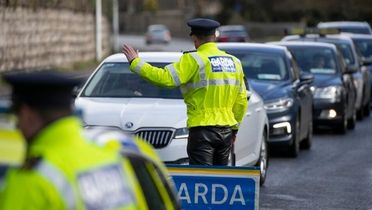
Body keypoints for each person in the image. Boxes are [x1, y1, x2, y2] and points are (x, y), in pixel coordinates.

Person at [0, 70, 147, 210]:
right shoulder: (111, 159)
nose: (17, 125)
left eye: (16, 116)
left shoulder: (32, 178)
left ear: (27, 115)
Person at [122, 18, 248, 166]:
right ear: (215, 36)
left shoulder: (193, 59)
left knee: (201, 180)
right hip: (226, 132)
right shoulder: (234, 62)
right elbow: (241, 100)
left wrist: (136, 62)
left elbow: (165, 78)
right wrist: (234, 129)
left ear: (194, 39)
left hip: (202, 132)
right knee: (220, 181)